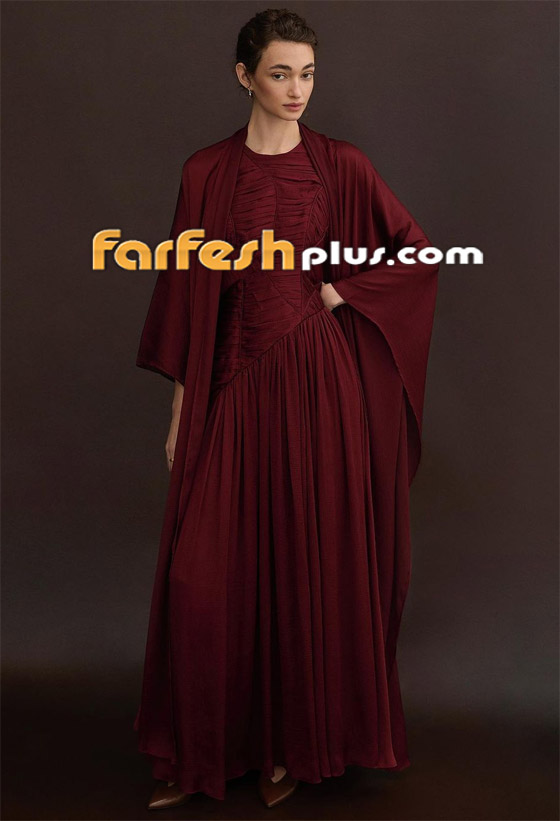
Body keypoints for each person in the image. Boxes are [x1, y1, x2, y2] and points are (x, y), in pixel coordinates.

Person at [133, 7, 439, 811]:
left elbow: (415, 252)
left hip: (316, 384)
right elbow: (185, 298)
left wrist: (341, 291)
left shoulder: (341, 165)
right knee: (206, 574)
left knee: (306, 565)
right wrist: (181, 408)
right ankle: (206, 750)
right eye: (279, 73)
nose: (297, 89)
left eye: (306, 73)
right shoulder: (206, 172)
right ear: (245, 76)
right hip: (231, 383)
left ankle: (291, 748)